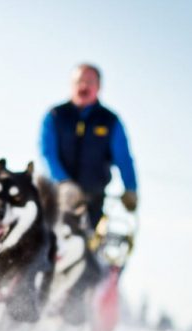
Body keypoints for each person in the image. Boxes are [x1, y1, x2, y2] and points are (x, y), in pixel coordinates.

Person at [40, 63, 138, 227]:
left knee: (86, 243)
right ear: (72, 85)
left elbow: (123, 158)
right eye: (79, 81)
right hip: (56, 199)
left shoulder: (110, 121)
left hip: (93, 201)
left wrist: (130, 188)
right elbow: (47, 153)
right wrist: (63, 182)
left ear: (98, 87)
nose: (84, 86)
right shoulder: (56, 116)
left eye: (89, 82)